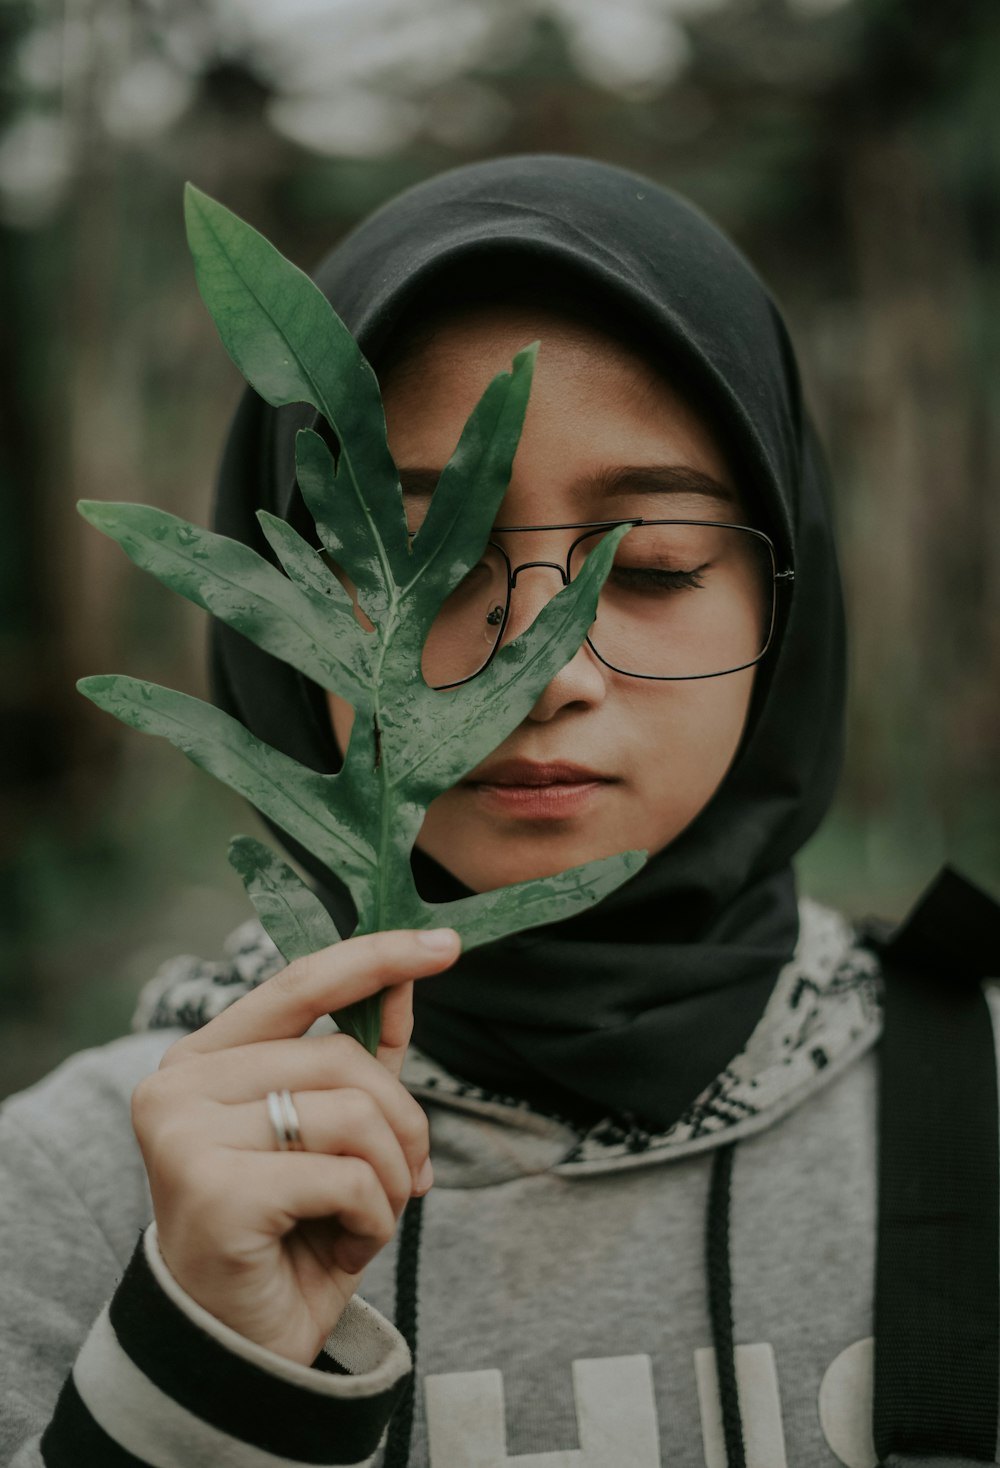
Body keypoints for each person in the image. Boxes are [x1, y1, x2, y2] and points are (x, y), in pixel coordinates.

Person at [0, 155, 993, 1468]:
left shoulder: (978, 1110)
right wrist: (191, 1369)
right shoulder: (72, 1192)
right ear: (269, 614)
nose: (545, 672)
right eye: (422, 559)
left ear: (786, 605)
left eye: (651, 565)